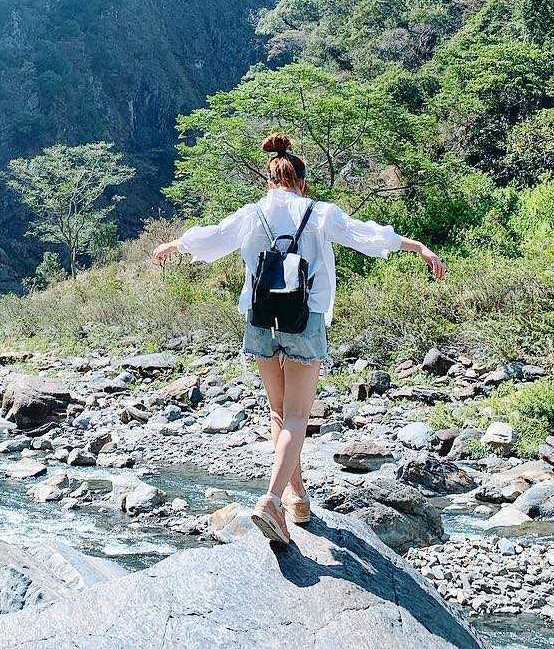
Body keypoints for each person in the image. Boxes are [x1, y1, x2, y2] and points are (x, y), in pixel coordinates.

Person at [152, 132, 446, 547]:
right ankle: (273, 499)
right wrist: (416, 247)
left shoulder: (252, 213)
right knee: (296, 417)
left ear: (268, 181)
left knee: (277, 413)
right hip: (304, 320)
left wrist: (175, 244)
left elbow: (212, 238)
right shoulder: (320, 213)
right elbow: (366, 235)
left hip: (260, 321)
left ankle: (297, 497)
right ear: (302, 182)